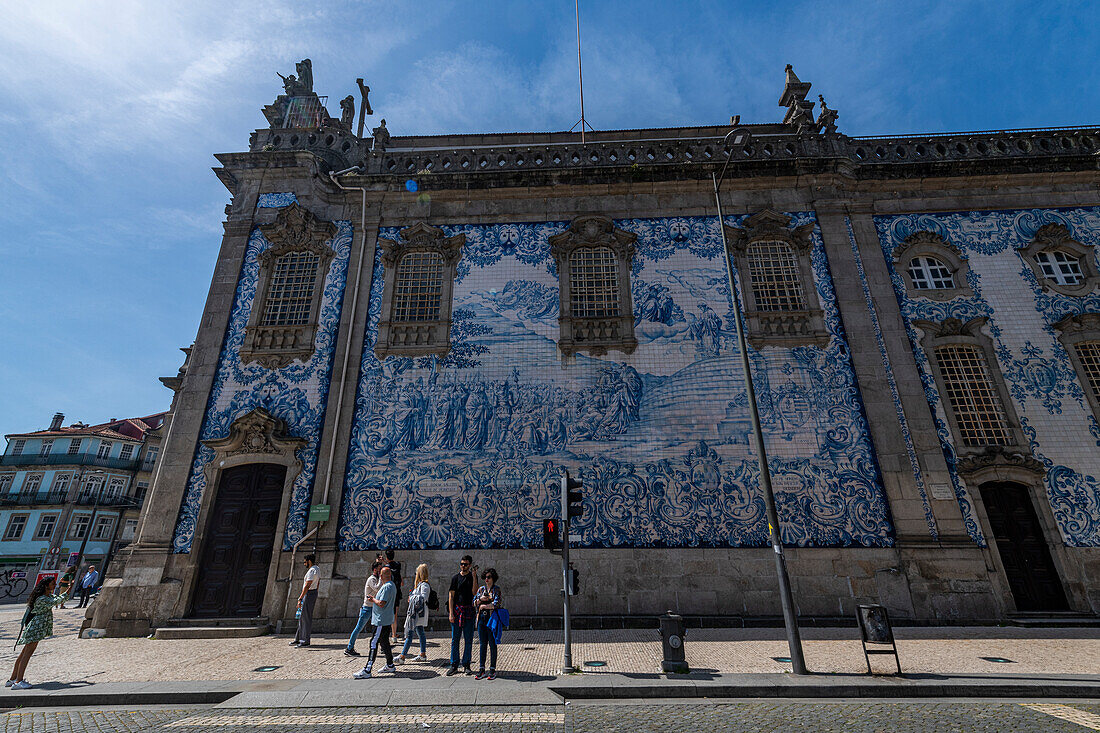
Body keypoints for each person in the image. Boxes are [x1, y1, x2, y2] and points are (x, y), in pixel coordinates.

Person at [8, 575, 70, 689]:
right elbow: (57, 600)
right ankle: (18, 681)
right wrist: (68, 590)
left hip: (35, 628)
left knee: (23, 654)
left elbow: (56, 598)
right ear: (46, 586)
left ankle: (12, 679)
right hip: (35, 629)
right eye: (52, 584)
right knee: (27, 654)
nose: (54, 585)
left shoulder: (45, 596)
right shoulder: (42, 599)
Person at [353, 566, 397, 678]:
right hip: (386, 619)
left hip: (381, 620)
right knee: (384, 642)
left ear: (381, 576)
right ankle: (390, 664)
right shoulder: (392, 586)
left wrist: (372, 599)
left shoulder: (386, 587)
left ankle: (367, 669)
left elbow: (382, 603)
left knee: (374, 642)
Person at [345, 560, 384, 656]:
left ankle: (383, 646)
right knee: (358, 628)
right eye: (380, 569)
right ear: (375, 570)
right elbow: (377, 588)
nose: (381, 571)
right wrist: (382, 578)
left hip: (374, 607)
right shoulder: (372, 579)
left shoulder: (376, 578)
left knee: (380, 627)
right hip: (367, 608)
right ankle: (349, 648)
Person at [447, 555, 477, 676]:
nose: (463, 566)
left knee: (468, 639)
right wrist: (451, 613)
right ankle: (454, 664)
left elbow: (475, 592)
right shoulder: (455, 578)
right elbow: (451, 596)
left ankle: (466, 664)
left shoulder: (471, 577)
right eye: (461, 564)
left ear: (469, 565)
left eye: (465, 564)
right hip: (457, 610)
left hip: (469, 610)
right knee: (455, 639)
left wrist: (475, 577)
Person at [396, 563, 430, 663]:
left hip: (418, 614)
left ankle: (402, 656)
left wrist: (412, 598)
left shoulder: (424, 585)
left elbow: (423, 598)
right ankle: (423, 655)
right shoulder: (419, 585)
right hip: (416, 613)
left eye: (416, 573)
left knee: (410, 633)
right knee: (420, 632)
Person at [474, 568, 502, 680]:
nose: (486, 579)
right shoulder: (481, 589)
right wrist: (481, 600)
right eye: (485, 577)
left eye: (489, 577)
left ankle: (492, 669)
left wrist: (483, 606)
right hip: (481, 619)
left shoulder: (496, 590)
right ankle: (481, 669)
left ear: (493, 578)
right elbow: (474, 602)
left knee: (492, 643)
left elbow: (497, 604)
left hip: (491, 619)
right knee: (482, 644)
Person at [291, 555, 318, 648]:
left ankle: (304, 641)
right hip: (312, 593)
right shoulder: (317, 569)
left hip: (309, 593)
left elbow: (307, 585)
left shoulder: (311, 571)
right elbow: (318, 583)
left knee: (305, 617)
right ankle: (298, 638)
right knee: (303, 616)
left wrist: (300, 598)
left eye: (305, 562)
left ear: (309, 561)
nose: (304, 564)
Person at [385, 550, 404, 643]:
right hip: (397, 592)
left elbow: (388, 567)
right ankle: (394, 635)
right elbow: (392, 565)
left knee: (388, 613)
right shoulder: (398, 565)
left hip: (389, 593)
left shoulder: (385, 568)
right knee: (395, 615)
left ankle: (388, 633)